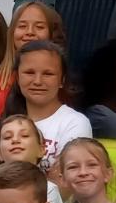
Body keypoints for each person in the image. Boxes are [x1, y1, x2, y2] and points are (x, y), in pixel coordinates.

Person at [0, 0, 67, 157]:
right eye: (22, 26)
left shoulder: (63, 86)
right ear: (11, 33)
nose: (29, 32)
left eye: (39, 27)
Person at [11, 39, 92, 167]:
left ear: (62, 80)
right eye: (29, 73)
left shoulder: (75, 123)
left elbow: (63, 178)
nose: (37, 81)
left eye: (48, 74)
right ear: (17, 77)